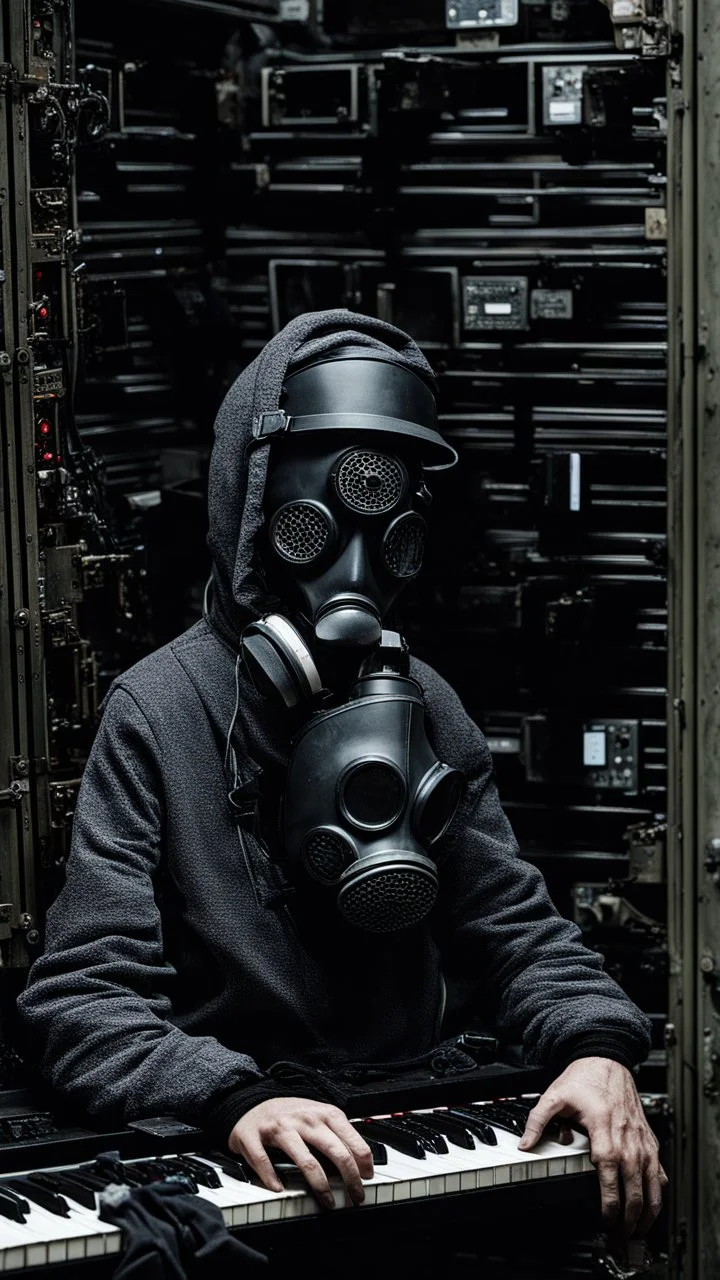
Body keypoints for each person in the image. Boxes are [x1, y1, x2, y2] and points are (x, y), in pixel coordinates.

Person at [18, 309, 666, 1243]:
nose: (355, 558)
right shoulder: (158, 710)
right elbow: (81, 1000)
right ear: (257, 503)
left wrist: (598, 1048)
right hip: (243, 1139)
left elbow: (522, 935)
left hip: (405, 1121)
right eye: (319, 517)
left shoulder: (425, 703)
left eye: (388, 516)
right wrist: (229, 1094)